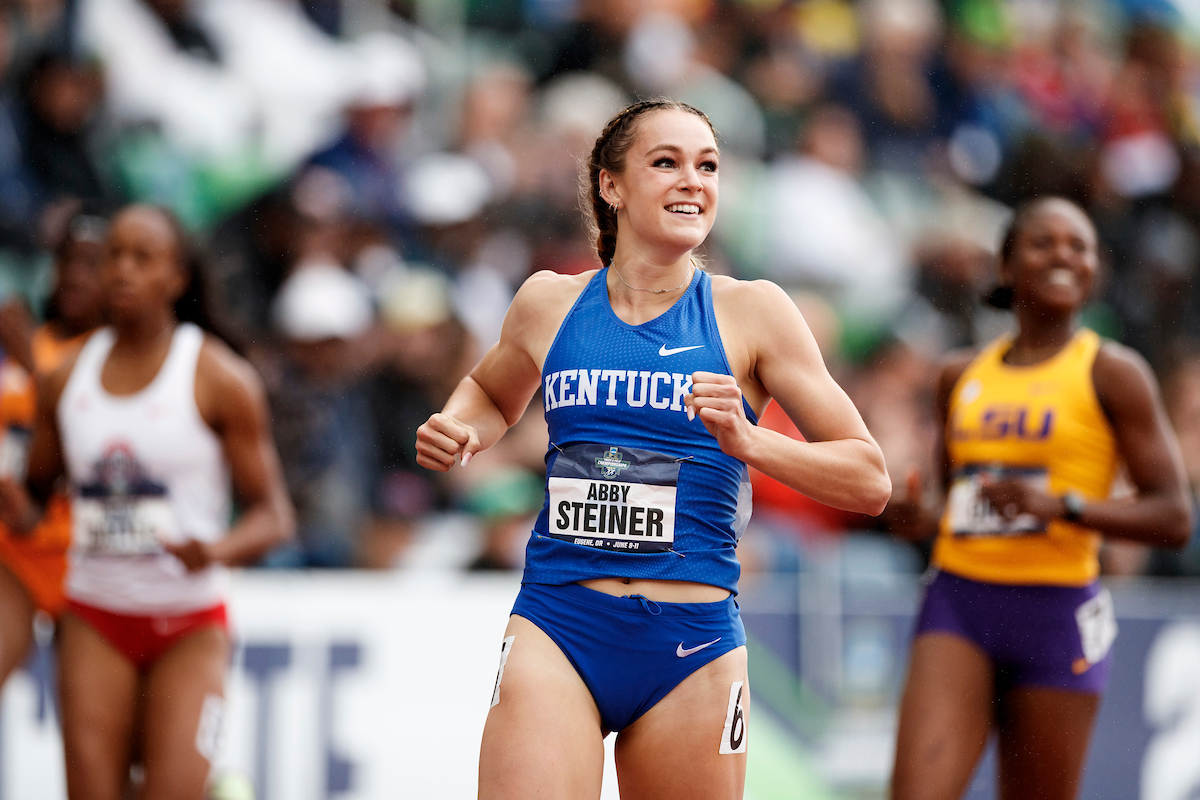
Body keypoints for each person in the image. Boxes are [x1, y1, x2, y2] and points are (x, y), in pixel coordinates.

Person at [416, 99, 891, 799]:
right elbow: (491, 393)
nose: (692, 181)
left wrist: (750, 441)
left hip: (691, 645)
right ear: (612, 186)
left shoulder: (752, 312)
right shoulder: (549, 303)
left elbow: (869, 477)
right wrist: (461, 427)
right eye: (665, 162)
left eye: (708, 166)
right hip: (559, 622)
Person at [886, 196, 1192, 800]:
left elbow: (1174, 516)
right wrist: (916, 515)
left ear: (1095, 269)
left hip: (1056, 613)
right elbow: (951, 501)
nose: (1063, 256)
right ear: (1006, 266)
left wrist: (1065, 508)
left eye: (1078, 246)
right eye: (1043, 243)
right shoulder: (959, 375)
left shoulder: (1113, 373)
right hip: (960, 601)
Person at [0, 204, 295, 800]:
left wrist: (212, 549)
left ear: (177, 278)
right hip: (95, 618)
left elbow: (274, 516)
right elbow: (36, 501)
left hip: (189, 623)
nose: (123, 271)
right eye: (113, 256)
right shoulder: (66, 379)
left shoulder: (218, 377)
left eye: (143, 258)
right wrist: (13, 501)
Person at [0, 211, 108, 687]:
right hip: (16, 551)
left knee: (95, 744)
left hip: (89, 563)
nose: (76, 275)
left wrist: (34, 371)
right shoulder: (26, 343)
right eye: (67, 260)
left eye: (92, 263)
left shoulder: (120, 356)